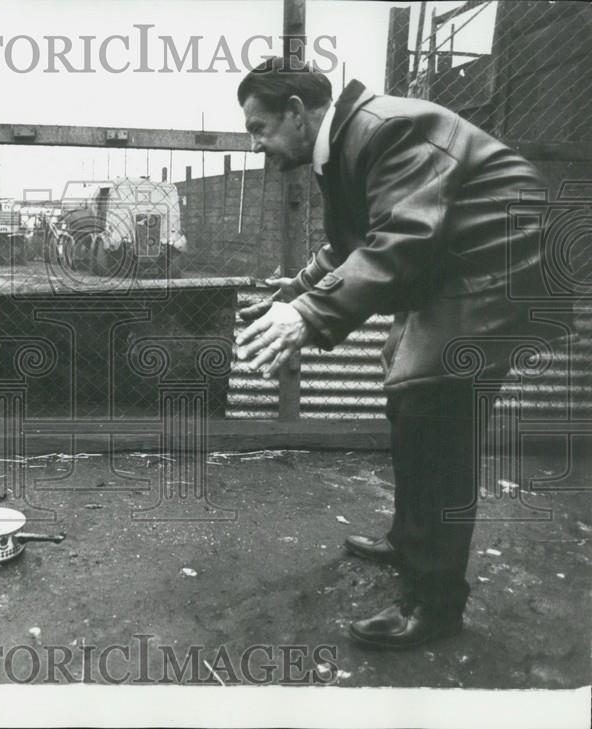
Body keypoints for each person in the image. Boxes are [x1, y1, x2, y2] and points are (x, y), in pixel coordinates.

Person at [234, 58, 546, 649]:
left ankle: (436, 605)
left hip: (496, 271)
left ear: (297, 113)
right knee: (407, 389)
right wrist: (293, 294)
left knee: (436, 413)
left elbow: (405, 237)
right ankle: (409, 539)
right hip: (458, 266)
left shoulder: (385, 130)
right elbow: (351, 247)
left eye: (259, 127)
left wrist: (310, 314)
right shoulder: (347, 144)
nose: (257, 146)